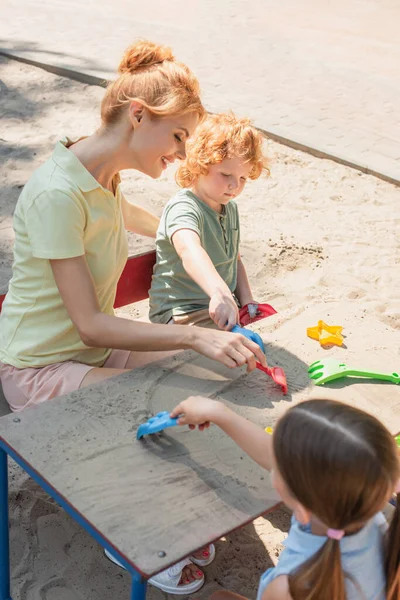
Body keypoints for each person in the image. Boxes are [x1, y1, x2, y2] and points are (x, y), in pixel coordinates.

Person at [0, 40, 267, 593]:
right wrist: (191, 335)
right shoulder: (58, 193)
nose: (180, 153)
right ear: (138, 114)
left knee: (209, 379)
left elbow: (151, 222)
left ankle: (165, 493)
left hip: (89, 351)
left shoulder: (101, 175)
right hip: (40, 366)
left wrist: (186, 226)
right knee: (160, 400)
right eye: (177, 137)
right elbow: (89, 324)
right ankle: (129, 530)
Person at [170, 396, 400, 600]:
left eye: (279, 465)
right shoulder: (361, 510)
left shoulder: (286, 588)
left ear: (301, 508)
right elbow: (281, 459)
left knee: (218, 598)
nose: (274, 461)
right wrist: (218, 412)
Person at [149, 112, 269, 330]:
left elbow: (234, 259)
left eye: (242, 178)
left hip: (219, 306)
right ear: (199, 164)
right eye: (225, 174)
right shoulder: (184, 207)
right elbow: (189, 250)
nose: (235, 185)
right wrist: (219, 292)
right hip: (181, 312)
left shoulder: (229, 207)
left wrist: (248, 299)